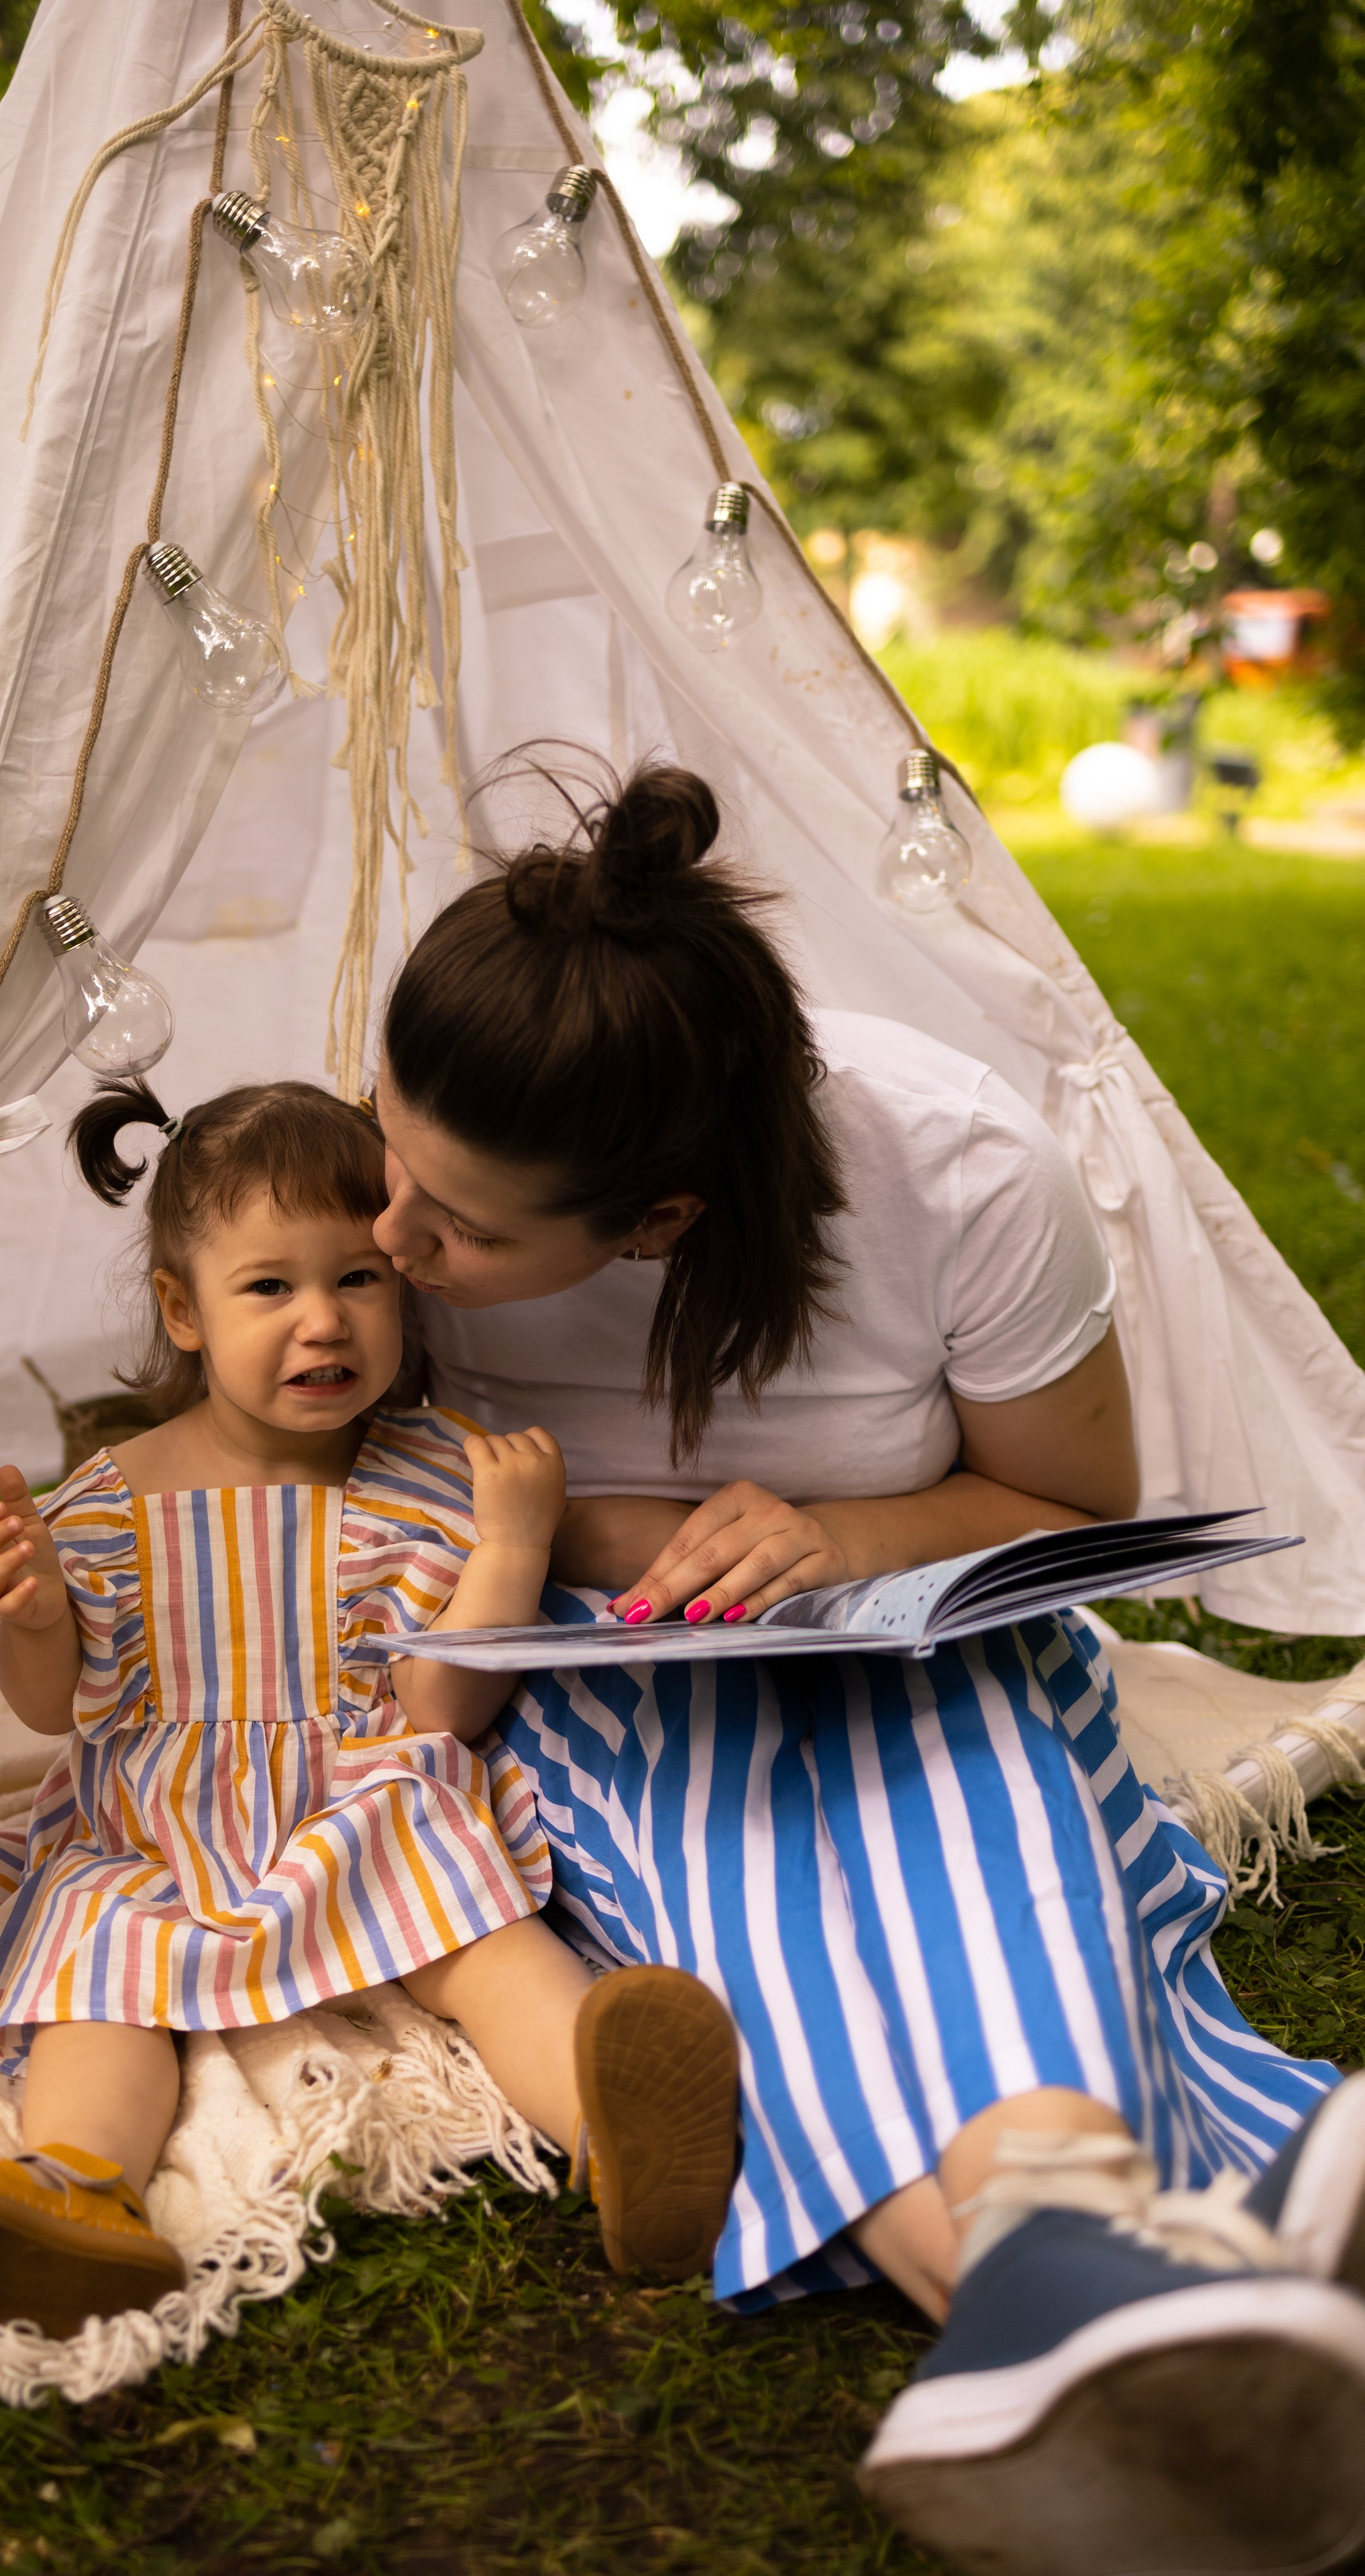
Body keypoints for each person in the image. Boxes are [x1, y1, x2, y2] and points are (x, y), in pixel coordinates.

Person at [368, 753, 1365, 2576]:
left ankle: (1054, 2292)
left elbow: (1072, 1497)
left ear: (655, 1229)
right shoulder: (450, 1136)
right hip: (596, 1669)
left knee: (960, 1793)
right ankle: (1129, 2248)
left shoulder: (958, 1163)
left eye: (460, 1234)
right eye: (389, 1163)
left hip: (914, 1612)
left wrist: (847, 1541)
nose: (392, 1245)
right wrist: (591, 1549)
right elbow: (325, 1475)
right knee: (750, 1882)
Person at [0, 1078, 737, 2339]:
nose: (322, 1322)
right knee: (98, 1966)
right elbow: (50, 1712)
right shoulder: (107, 1499)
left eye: (358, 1280)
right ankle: (77, 2193)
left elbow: (439, 1712)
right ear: (182, 1310)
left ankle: (625, 2136)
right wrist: (38, 1620)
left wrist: (510, 1548)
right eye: (270, 1288)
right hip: (156, 1826)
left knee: (473, 1930)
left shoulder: (432, 1476)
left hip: (360, 1797)